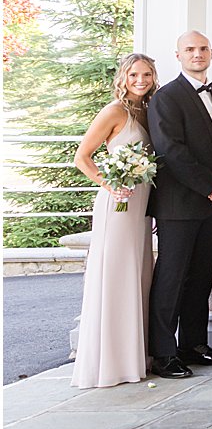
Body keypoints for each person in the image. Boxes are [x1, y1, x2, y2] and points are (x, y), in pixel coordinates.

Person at [145, 31, 212, 379]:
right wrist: (210, 186)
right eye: (190, 49)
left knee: (202, 277)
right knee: (172, 277)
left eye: (202, 49)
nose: (197, 54)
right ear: (178, 55)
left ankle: (194, 344)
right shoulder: (166, 98)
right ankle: (165, 352)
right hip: (179, 203)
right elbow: (171, 150)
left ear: (211, 53)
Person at [71, 54, 159, 389]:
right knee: (117, 274)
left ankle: (136, 356)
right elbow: (83, 156)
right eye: (134, 74)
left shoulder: (149, 110)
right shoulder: (114, 111)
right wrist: (110, 183)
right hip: (118, 205)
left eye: (147, 74)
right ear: (123, 77)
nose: (141, 80)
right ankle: (111, 361)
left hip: (142, 206)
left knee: (138, 274)